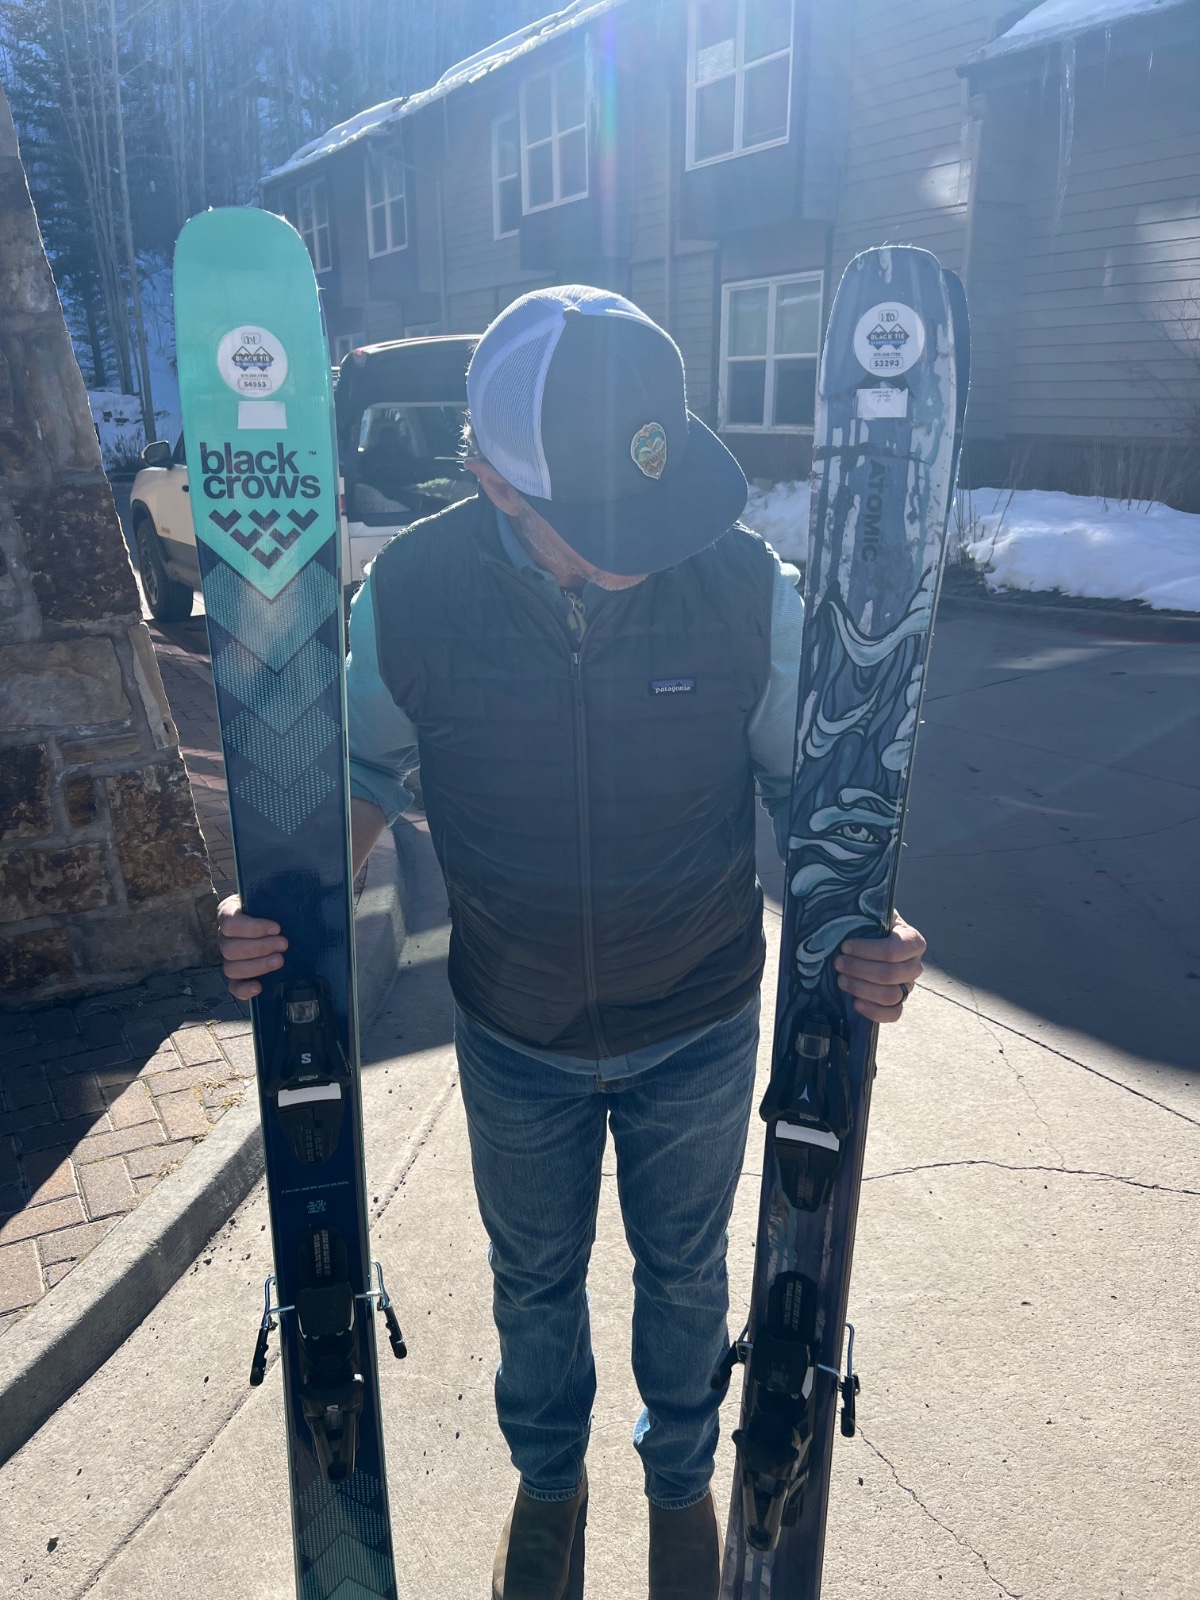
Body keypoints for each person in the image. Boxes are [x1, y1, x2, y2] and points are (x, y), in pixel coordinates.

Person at [218, 287, 927, 1600]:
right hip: (515, 1028)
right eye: (607, 525)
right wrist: (289, 903)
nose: (647, 550)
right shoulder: (414, 593)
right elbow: (362, 767)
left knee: (685, 1275)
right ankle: (551, 1487)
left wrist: (860, 920)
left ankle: (678, 1488)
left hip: (698, 1020)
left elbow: (811, 791)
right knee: (534, 1282)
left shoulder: (741, 588)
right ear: (495, 480)